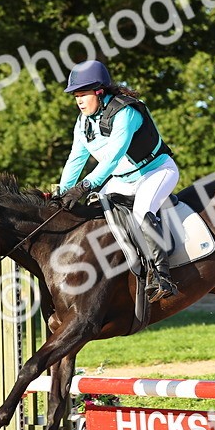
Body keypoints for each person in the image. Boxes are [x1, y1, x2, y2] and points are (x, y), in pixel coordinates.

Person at [55, 60, 179, 302]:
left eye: (83, 95)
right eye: (76, 96)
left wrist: (84, 186)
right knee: (94, 214)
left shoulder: (126, 113)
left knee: (143, 212)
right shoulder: (82, 123)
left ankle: (162, 275)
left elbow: (113, 157)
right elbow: (76, 159)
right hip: (122, 179)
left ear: (99, 92)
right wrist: (62, 191)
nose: (78, 101)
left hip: (155, 172)